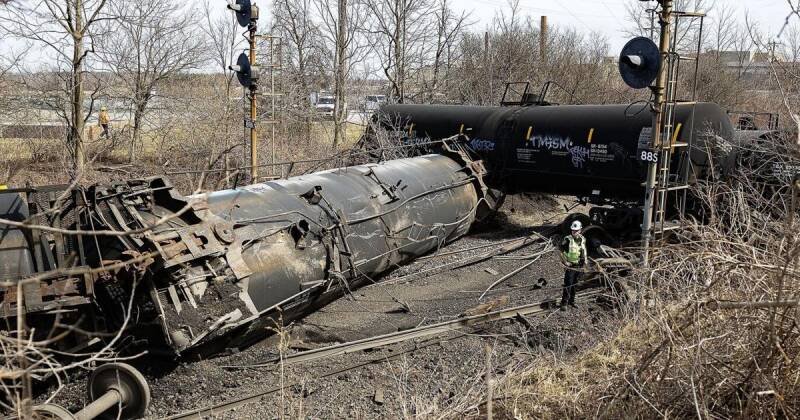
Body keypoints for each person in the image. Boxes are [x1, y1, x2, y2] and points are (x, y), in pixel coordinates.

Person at [560, 220, 588, 310]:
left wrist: (585, 261)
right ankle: (564, 303)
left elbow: (584, 250)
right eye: (573, 230)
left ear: (580, 230)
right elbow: (560, 251)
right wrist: (565, 262)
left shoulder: (583, 239)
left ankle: (572, 301)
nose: (574, 232)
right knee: (568, 284)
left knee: (575, 284)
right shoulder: (567, 239)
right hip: (571, 266)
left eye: (576, 230)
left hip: (579, 266)